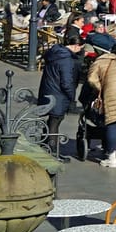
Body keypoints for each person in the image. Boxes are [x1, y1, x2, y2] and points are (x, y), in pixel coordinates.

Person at [40, 28, 83, 158]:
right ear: (75, 46)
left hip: (48, 90)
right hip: (58, 94)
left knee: (52, 120)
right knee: (56, 121)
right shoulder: (67, 59)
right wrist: (72, 96)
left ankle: (44, 144)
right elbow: (67, 81)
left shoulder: (55, 52)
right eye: (80, 47)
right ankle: (52, 151)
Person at [88, 42, 116, 167]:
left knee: (111, 123)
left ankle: (111, 157)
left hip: (110, 93)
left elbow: (91, 78)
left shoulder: (99, 62)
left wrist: (99, 88)